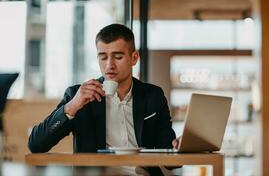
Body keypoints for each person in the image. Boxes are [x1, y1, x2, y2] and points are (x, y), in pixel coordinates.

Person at [28, 23, 180, 175]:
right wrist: (72, 106)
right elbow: (36, 145)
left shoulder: (153, 96)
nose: (109, 65)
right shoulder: (78, 95)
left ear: (134, 58)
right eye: (103, 57)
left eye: (118, 57)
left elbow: (170, 160)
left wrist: (179, 147)